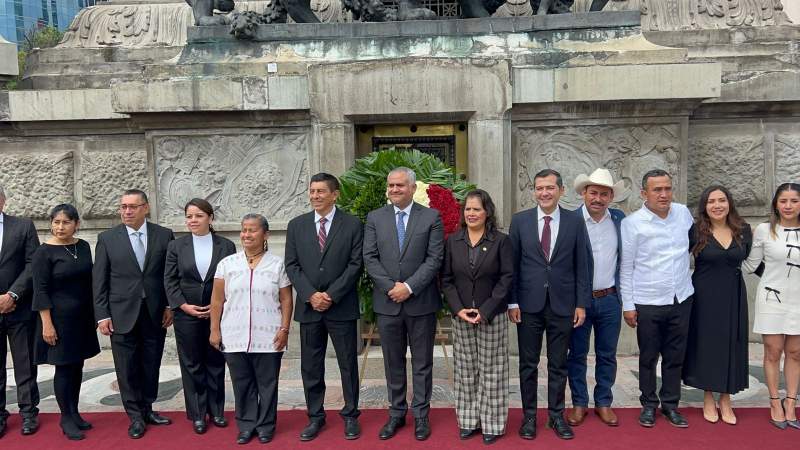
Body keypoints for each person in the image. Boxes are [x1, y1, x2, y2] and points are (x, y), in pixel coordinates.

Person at [508, 169, 590, 441]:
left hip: (563, 305)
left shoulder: (574, 222)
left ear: (561, 191)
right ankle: (529, 417)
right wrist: (513, 301)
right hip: (528, 305)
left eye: (550, 188)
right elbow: (513, 266)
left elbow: (583, 265)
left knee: (558, 365)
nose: (544, 193)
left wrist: (581, 304)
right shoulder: (519, 222)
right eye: (539, 188)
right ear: (534, 191)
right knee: (528, 364)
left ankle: (556, 416)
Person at [363, 167, 444, 441]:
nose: (394, 190)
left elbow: (434, 259)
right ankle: (396, 413)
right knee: (393, 362)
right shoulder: (375, 218)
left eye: (400, 185)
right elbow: (370, 258)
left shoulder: (431, 217)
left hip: (420, 303)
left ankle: (421, 416)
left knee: (422, 363)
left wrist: (408, 287)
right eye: (391, 186)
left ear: (412, 187)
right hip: (387, 304)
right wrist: (391, 288)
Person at [285, 173, 364, 441]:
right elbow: (292, 265)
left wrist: (330, 294)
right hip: (309, 308)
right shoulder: (296, 225)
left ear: (335, 194)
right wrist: (310, 295)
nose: (315, 196)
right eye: (312, 191)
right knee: (311, 366)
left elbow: (356, 264)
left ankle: (351, 415)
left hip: (340, 306)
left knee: (347, 364)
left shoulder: (352, 225)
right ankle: (315, 416)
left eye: (321, 191)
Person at [93, 189, 175, 439]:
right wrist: (102, 314)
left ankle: (148, 408)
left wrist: (170, 306)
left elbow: (169, 275)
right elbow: (99, 280)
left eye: (132, 206)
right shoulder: (107, 238)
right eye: (123, 207)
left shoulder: (164, 235)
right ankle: (135, 416)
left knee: (151, 362)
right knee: (126, 367)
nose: (127, 211)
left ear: (145, 208)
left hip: (154, 312)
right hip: (120, 314)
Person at [209, 214, 293, 445]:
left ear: (265, 234)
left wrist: (284, 328)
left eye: (252, 230)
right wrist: (214, 330)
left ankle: (266, 425)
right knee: (242, 383)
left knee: (267, 384)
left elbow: (286, 300)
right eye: (244, 230)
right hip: (234, 334)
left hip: (268, 335)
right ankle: (246, 425)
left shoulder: (277, 264)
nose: (246, 234)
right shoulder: (227, 264)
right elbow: (217, 301)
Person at [620, 169, 694, 429]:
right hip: (648, 300)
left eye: (667, 189)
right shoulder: (631, 224)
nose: (664, 195)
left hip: (681, 298)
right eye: (657, 190)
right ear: (644, 193)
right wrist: (627, 305)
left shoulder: (684, 214)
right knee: (648, 357)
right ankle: (649, 405)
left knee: (675, 356)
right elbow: (626, 267)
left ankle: (671, 405)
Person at [441, 189, 513, 445]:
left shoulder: (501, 241)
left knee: (492, 371)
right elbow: (447, 280)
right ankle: (469, 420)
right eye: (468, 209)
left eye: (476, 209)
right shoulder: (453, 241)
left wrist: (486, 310)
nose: (471, 214)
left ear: (487, 212)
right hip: (462, 316)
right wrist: (458, 308)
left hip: (491, 316)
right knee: (466, 371)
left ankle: (492, 423)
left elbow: (506, 279)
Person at [164, 199, 236, 434]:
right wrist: (183, 306)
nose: (193, 220)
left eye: (198, 216)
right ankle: (198, 414)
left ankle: (216, 410)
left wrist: (221, 306)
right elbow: (170, 280)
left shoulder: (226, 245)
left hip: (218, 313)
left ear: (210, 218)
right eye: (189, 216)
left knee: (216, 361)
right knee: (192, 363)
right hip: (187, 314)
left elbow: (232, 279)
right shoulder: (177, 246)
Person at [682, 186, 751, 425]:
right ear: (705, 206)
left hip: (733, 295)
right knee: (706, 344)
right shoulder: (696, 231)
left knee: (731, 343)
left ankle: (726, 398)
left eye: (722, 200)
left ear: (729, 203)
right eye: (711, 201)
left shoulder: (743, 230)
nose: (717, 205)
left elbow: (752, 260)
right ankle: (708, 396)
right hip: (703, 296)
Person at [31, 204, 100, 440]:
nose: (60, 226)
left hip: (81, 319)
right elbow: (39, 290)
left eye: (66, 222)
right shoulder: (43, 252)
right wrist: (47, 324)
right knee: (64, 368)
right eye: (56, 222)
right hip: (57, 320)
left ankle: (75, 412)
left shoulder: (82, 246)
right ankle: (65, 418)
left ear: (76, 224)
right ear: (51, 223)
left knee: (77, 366)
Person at [566, 168, 626, 428]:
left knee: (607, 354)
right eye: (593, 193)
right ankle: (580, 403)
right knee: (577, 354)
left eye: (604, 194)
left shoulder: (620, 219)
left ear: (611, 197)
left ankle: (603, 402)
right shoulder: (569, 221)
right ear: (583, 194)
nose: (598, 199)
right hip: (580, 301)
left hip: (611, 299)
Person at [743, 182, 800, 430]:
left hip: (798, 299)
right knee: (772, 352)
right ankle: (775, 401)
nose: (788, 206)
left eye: (794, 201)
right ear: (776, 204)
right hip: (771, 298)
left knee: (796, 353)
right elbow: (749, 264)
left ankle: (791, 402)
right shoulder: (765, 230)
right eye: (783, 201)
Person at [0, 185, 41, 438]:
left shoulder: (23, 226)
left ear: (2, 199)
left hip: (19, 307)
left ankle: (28, 413)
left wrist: (12, 295)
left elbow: (32, 263)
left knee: (25, 364)